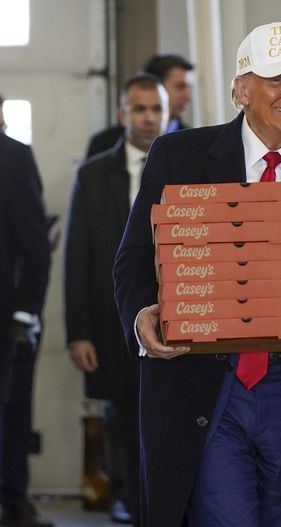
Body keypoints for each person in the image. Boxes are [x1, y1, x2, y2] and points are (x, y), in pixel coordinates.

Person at [113, 20, 281, 527]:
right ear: (241, 89)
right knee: (227, 514)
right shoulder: (179, 157)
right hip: (210, 383)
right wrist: (142, 317)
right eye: (278, 78)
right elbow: (132, 259)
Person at [64, 74, 169, 526]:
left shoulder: (187, 166)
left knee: (172, 413)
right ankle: (128, 495)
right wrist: (78, 333)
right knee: (122, 413)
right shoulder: (93, 173)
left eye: (157, 109)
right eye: (139, 109)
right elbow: (77, 257)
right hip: (112, 320)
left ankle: (167, 498)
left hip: (178, 312)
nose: (149, 118)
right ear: (123, 113)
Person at [0, 95, 52, 527]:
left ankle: (13, 498)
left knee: (12, 410)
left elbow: (36, 245)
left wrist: (25, 313)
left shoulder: (13, 157)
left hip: (8, 317)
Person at [86, 54, 194, 158]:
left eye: (189, 88)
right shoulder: (103, 144)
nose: (188, 96)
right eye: (180, 87)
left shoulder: (194, 143)